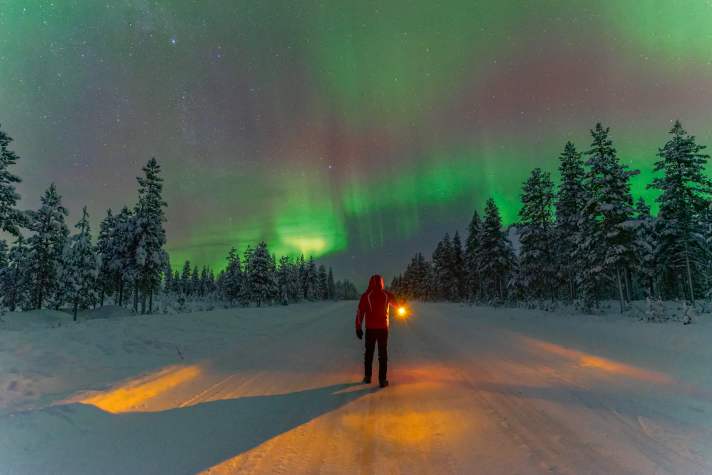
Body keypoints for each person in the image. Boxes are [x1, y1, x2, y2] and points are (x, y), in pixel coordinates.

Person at [354, 274, 400, 388]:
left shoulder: (366, 296)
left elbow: (360, 313)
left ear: (370, 283)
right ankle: (382, 380)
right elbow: (397, 304)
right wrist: (401, 305)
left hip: (370, 329)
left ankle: (367, 377)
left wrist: (358, 328)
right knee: (382, 354)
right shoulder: (386, 294)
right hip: (383, 329)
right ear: (381, 282)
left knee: (369, 353)